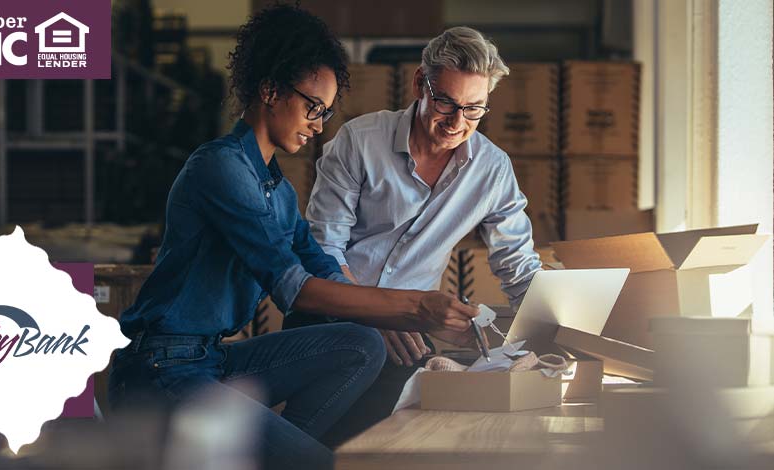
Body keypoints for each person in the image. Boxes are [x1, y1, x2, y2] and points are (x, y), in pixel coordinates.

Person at [108, 7, 482, 470]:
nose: (319, 125)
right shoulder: (221, 168)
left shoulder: (276, 189)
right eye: (312, 107)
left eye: (325, 112)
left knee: (360, 343)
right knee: (321, 463)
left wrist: (385, 319)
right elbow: (295, 290)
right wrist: (416, 307)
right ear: (270, 91)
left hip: (213, 361)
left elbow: (321, 266)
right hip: (161, 370)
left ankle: (262, 455)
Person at [285, 27, 543, 446]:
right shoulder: (359, 141)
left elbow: (518, 267)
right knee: (310, 447)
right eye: (446, 102)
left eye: (475, 109)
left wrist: (558, 329)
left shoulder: (493, 169)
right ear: (420, 84)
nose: (458, 122)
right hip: (331, 318)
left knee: (388, 447)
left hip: (407, 334)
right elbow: (323, 249)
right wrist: (376, 311)